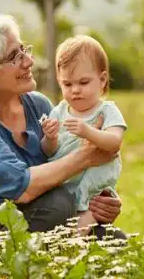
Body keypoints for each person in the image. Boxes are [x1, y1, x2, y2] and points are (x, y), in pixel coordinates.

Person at [0, 14, 122, 233]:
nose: (28, 61)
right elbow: (21, 187)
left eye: (24, 50)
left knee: (114, 238)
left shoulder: (38, 104)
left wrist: (101, 199)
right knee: (57, 205)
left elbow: (66, 162)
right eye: (14, 57)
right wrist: (86, 157)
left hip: (41, 210)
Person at [41, 35, 126, 236]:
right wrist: (50, 138)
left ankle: (73, 247)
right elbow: (47, 151)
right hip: (66, 181)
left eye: (83, 82)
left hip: (94, 186)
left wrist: (88, 131)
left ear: (102, 79)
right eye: (67, 84)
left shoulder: (106, 111)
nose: (75, 90)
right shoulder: (59, 111)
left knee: (80, 228)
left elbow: (114, 142)